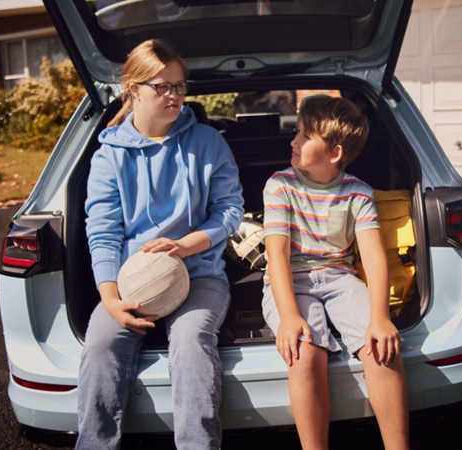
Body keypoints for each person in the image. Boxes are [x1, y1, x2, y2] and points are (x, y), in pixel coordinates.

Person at [78, 39, 244, 450]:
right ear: (134, 89)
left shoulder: (207, 142)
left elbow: (230, 210)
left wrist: (186, 246)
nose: (174, 96)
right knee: (100, 345)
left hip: (199, 272)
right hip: (132, 281)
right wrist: (111, 298)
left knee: (190, 342)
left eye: (180, 86)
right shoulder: (108, 157)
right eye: (162, 86)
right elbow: (102, 232)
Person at [261, 97, 409, 449]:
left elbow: (373, 258)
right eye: (297, 132)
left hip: (339, 279)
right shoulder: (280, 185)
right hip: (290, 282)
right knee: (303, 353)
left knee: (381, 348)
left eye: (305, 136)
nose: (294, 140)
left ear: (334, 152)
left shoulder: (357, 193)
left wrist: (380, 318)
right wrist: (289, 316)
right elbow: (277, 255)